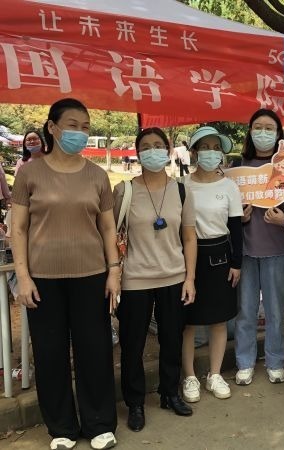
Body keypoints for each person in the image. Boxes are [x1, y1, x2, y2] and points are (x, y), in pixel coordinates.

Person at [11, 98, 118, 450]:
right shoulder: (29, 173)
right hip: (43, 278)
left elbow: (107, 227)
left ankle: (99, 422)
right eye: (73, 125)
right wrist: (23, 276)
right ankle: (62, 427)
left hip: (92, 275)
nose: (80, 133)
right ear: (52, 128)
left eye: (86, 127)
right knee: (50, 352)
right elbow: (19, 228)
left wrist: (114, 270)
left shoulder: (97, 175)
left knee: (95, 349)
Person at [113, 127, 197, 432]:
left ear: (169, 150)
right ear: (138, 153)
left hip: (174, 278)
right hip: (135, 280)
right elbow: (112, 235)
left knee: (172, 340)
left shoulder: (182, 190)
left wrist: (190, 278)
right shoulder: (124, 191)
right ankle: (135, 402)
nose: (152, 151)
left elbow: (189, 237)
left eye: (158, 145)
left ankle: (169, 393)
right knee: (132, 345)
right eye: (146, 147)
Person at [180, 126, 242, 402]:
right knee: (188, 322)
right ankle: (189, 376)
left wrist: (236, 263)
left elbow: (236, 228)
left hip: (220, 257)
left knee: (219, 320)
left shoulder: (229, 186)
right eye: (204, 147)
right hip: (188, 257)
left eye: (216, 148)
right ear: (194, 152)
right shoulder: (181, 185)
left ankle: (214, 374)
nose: (211, 153)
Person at [235, 109, 284, 386]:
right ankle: (244, 362)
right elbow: (227, 206)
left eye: (269, 128)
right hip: (246, 248)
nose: (263, 133)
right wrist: (238, 217)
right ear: (250, 131)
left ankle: (275, 360)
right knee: (245, 310)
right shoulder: (238, 166)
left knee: (275, 310)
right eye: (258, 127)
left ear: (279, 133)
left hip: (278, 247)